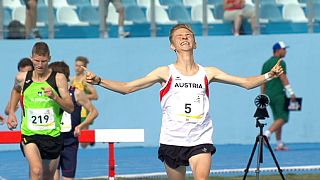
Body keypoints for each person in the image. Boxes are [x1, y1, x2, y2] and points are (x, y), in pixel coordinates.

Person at [82, 24, 283, 180]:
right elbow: (128, 87)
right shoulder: (165, 72)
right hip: (172, 140)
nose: (184, 38)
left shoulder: (208, 72)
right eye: (179, 36)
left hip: (200, 139)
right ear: (172, 45)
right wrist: (99, 81)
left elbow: (246, 83)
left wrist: (269, 75)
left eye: (188, 35)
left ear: (195, 43)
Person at [6, 42, 74, 179]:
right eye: (36, 61)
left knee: (48, 177)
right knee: (36, 170)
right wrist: (12, 112)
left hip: (52, 135)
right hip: (30, 133)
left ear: (49, 58)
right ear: (31, 58)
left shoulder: (58, 78)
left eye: (43, 61)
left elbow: (70, 107)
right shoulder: (22, 77)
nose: (40, 65)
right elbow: (15, 90)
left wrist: (55, 97)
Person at [49, 61, 99, 180]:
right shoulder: (50, 94)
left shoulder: (76, 93)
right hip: (52, 140)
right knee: (52, 176)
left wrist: (81, 126)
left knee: (68, 177)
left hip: (69, 141)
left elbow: (94, 112)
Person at [261, 41, 297, 151]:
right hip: (279, 95)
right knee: (283, 118)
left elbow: (263, 81)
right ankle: (266, 135)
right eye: (284, 49)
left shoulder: (266, 63)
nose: (285, 51)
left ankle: (279, 143)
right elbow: (283, 78)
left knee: (277, 119)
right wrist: (291, 92)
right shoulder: (281, 62)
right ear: (278, 50)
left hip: (269, 96)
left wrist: (263, 96)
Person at [71, 56, 98, 148]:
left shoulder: (85, 81)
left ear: (84, 67)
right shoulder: (72, 80)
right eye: (76, 65)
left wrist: (80, 97)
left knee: (83, 143)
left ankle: (90, 139)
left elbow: (95, 96)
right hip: (74, 112)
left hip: (84, 112)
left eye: (80, 66)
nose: (77, 68)